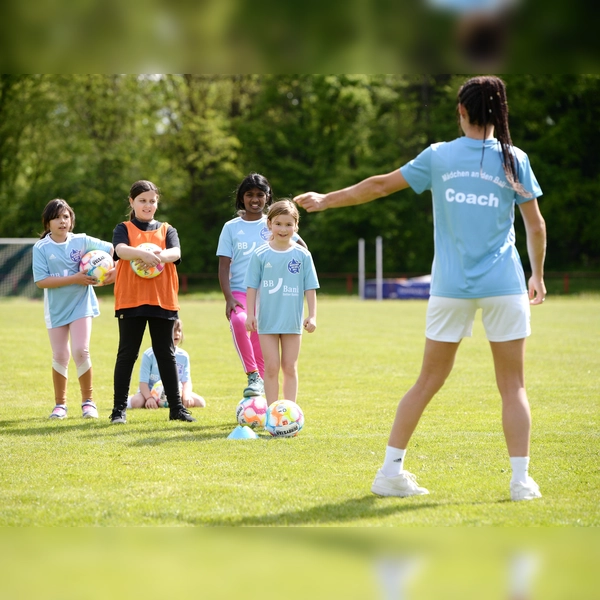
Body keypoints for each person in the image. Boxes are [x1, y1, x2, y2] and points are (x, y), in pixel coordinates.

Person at [294, 75, 546, 502]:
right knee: (513, 387)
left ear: (462, 112)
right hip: (504, 284)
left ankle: (390, 473)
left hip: (450, 287)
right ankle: (521, 482)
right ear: (500, 113)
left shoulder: (440, 156)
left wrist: (325, 200)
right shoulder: (514, 159)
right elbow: (535, 225)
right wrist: (536, 275)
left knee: (427, 380)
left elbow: (377, 186)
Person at [109, 180, 196, 424]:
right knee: (127, 354)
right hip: (131, 299)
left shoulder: (167, 229)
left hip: (162, 299)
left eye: (152, 201)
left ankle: (176, 409)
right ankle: (118, 410)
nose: (148, 205)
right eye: (142, 200)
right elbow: (120, 250)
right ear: (132, 202)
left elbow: (175, 253)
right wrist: (141, 253)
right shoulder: (123, 228)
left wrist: (157, 256)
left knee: (166, 354)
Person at [216, 173, 306, 399]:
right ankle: (252, 374)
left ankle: (264, 399)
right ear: (241, 197)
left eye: (260, 195)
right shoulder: (231, 227)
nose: (254, 199)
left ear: (267, 197)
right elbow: (224, 265)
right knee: (239, 321)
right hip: (240, 293)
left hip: (270, 296)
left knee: (262, 343)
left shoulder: (274, 223)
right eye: (249, 195)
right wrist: (228, 297)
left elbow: (302, 250)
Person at [32, 198, 115, 420]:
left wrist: (113, 272)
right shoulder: (41, 248)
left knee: (81, 351)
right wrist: (75, 278)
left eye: (66, 217)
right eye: (56, 217)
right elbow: (41, 281)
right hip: (57, 309)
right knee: (60, 355)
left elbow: (113, 249)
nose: (62, 221)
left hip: (82, 304)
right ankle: (60, 405)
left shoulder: (82, 241)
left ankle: (88, 402)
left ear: (71, 220)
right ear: (47, 222)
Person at [244, 200, 319, 406]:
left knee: (289, 367)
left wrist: (312, 315)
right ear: (269, 224)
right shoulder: (260, 254)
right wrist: (250, 314)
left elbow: (310, 287)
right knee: (271, 367)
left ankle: (289, 413)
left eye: (288, 224)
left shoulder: (302, 255)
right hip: (266, 321)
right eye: (278, 223)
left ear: (296, 226)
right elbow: (251, 286)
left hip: (292, 322)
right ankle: (271, 412)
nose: (283, 229)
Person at [127, 319, 206, 409]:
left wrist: (186, 396)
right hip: (149, 393)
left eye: (179, 331)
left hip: (176, 393)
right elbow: (143, 383)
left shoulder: (183, 356)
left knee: (201, 402)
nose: (177, 334)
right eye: (173, 330)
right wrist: (149, 398)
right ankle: (130, 400)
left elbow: (186, 381)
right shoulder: (149, 354)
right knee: (136, 402)